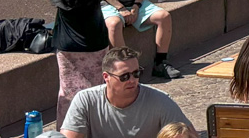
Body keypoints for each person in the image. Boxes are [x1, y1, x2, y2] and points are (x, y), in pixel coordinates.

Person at [61, 47, 192, 138]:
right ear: (106, 77)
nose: (132, 80)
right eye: (124, 76)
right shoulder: (86, 99)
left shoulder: (160, 100)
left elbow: (190, 135)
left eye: (136, 73)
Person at [50, 0, 110, 123]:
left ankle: (68, 129)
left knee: (68, 91)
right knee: (97, 89)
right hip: (97, 43)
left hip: (68, 48)